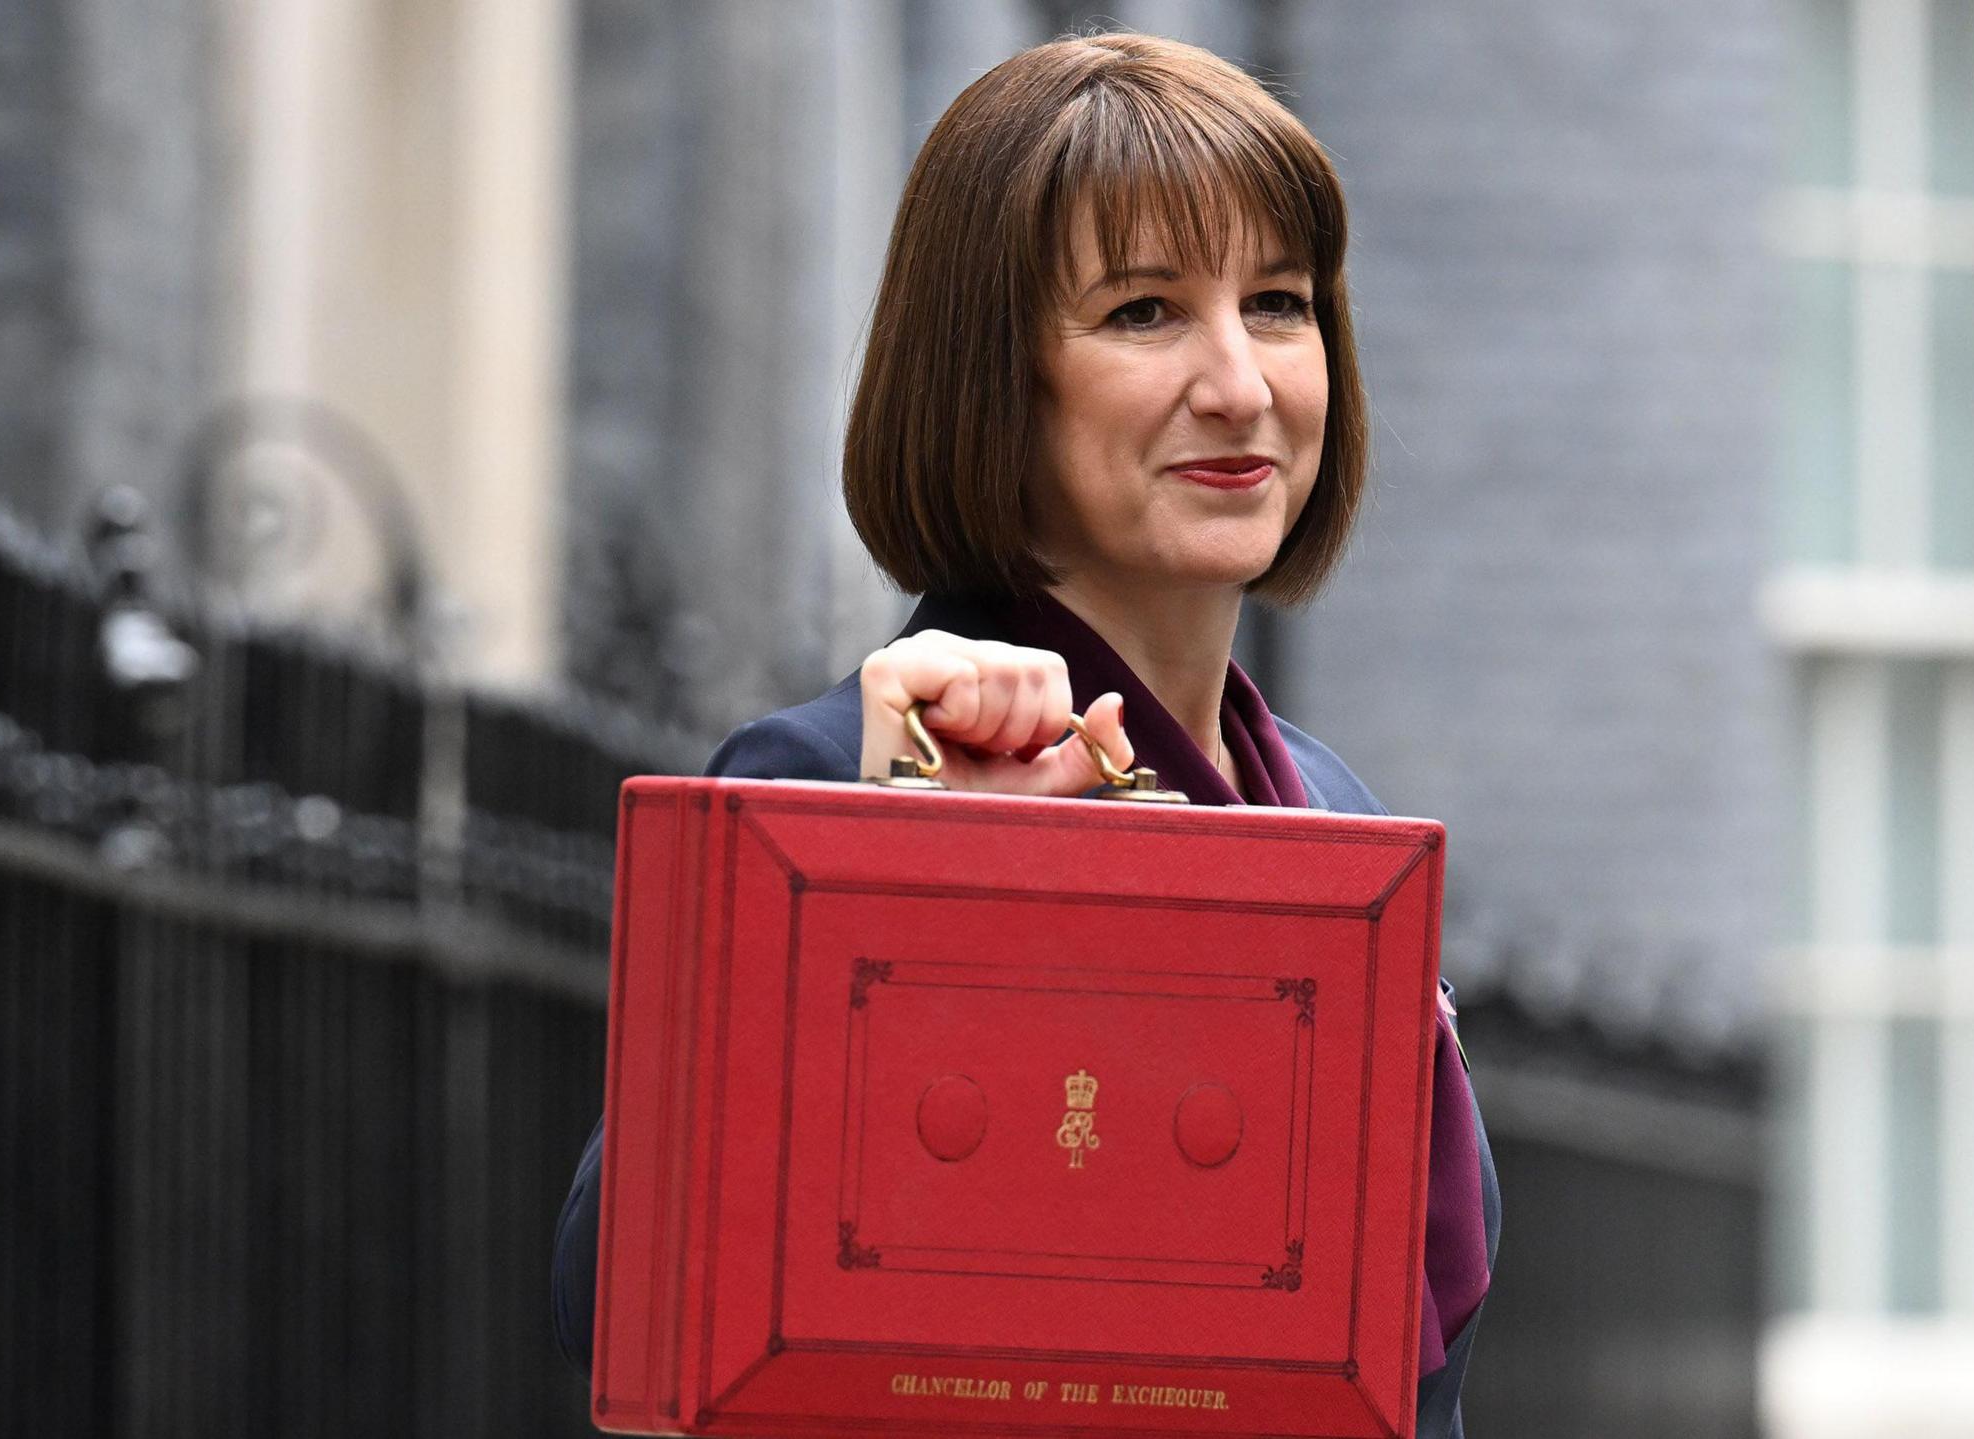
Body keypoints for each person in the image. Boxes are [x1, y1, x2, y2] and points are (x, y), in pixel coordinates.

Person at [552, 30, 1501, 1435]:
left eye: (1281, 304)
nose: (1242, 384)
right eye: (1143, 313)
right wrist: (910, 869)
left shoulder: (1338, 813)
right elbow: (619, 1301)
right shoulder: (833, 779)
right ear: (992, 376)